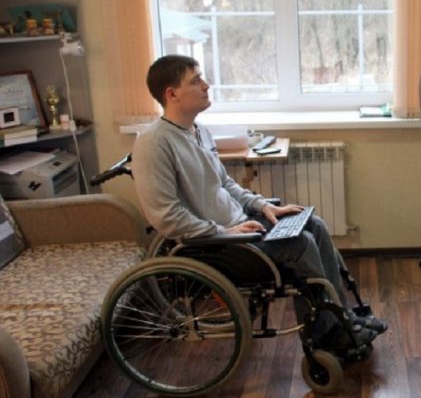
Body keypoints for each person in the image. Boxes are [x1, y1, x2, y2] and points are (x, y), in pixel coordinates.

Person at [132, 55, 387, 352]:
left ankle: (341, 317)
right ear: (172, 94)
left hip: (241, 227)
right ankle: (326, 335)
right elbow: (166, 217)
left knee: (313, 224)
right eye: (196, 80)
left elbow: (225, 184)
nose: (206, 85)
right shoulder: (154, 143)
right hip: (215, 244)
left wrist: (263, 206)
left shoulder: (198, 131)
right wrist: (224, 231)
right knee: (300, 244)